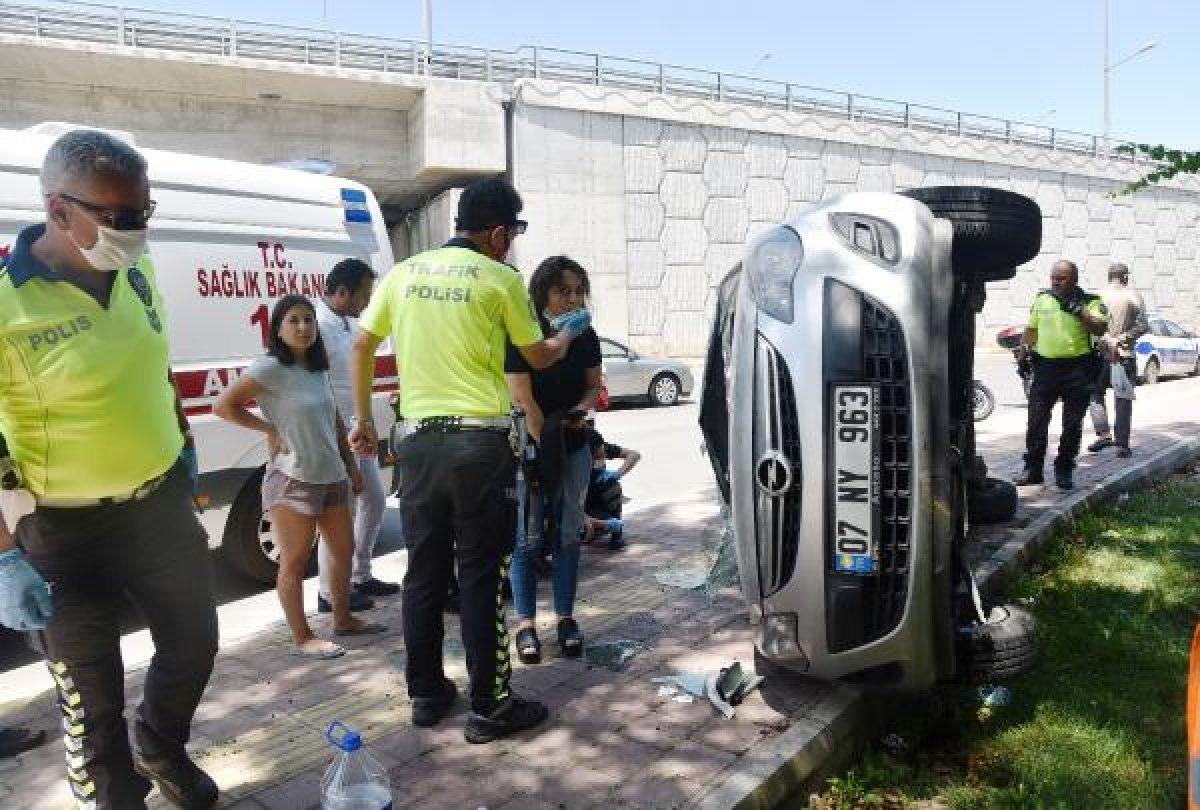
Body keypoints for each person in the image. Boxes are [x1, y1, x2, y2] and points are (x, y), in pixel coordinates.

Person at [0, 129, 218, 808]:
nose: (137, 231)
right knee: (92, 703)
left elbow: (154, 367)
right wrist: (6, 556)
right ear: (58, 211)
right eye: (120, 218)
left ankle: (160, 744)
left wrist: (181, 442)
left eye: (145, 213)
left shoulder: (139, 272)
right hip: (64, 536)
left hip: (157, 508)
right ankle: (112, 785)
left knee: (194, 646)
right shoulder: (6, 306)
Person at [348, 177, 592, 744]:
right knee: (482, 575)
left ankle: (428, 693)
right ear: (499, 232)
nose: (512, 245)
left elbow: (362, 346)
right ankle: (491, 704)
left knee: (424, 573)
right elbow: (534, 356)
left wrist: (364, 422)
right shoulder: (499, 277)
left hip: (416, 443)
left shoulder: (403, 273)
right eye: (514, 233)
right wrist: (564, 335)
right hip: (480, 445)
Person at [214, 295, 385, 659]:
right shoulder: (269, 368)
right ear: (278, 328)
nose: (304, 327)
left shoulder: (316, 367)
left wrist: (352, 466)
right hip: (293, 479)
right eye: (294, 320)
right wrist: (269, 430)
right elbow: (223, 405)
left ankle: (343, 619)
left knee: (343, 550)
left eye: (308, 320)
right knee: (293, 560)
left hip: (332, 475)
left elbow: (335, 420)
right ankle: (303, 636)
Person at [506, 256, 604, 665]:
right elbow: (522, 399)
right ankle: (526, 625)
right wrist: (542, 438)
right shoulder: (523, 333)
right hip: (529, 446)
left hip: (574, 444)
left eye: (578, 290)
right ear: (542, 292)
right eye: (563, 290)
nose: (572, 298)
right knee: (525, 539)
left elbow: (592, 388)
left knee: (568, 534)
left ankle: (565, 619)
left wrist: (581, 412)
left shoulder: (586, 336)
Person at [314, 258, 399, 614]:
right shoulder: (315, 325)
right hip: (333, 434)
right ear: (344, 292)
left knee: (375, 500)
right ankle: (329, 592)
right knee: (338, 513)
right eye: (365, 293)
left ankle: (359, 575)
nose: (368, 301)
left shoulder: (350, 324)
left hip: (357, 429)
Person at [1015, 260, 1109, 491]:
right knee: (1036, 421)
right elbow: (1032, 329)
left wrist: (1079, 311)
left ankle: (1064, 470)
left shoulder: (1091, 301)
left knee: (1072, 425)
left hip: (1078, 369)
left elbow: (1100, 328)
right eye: (1053, 277)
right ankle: (1033, 470)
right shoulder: (1042, 298)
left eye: (1062, 278)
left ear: (1074, 279)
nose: (1056, 282)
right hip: (1045, 369)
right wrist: (1023, 350)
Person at [1088, 262, 1148, 459]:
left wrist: (1107, 340)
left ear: (1109, 276)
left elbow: (1091, 325)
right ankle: (1122, 445)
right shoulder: (1133, 295)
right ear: (1124, 277)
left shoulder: (1097, 296)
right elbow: (1143, 326)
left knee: (1095, 394)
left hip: (1100, 355)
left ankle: (1104, 434)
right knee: (1122, 400)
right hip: (1124, 355)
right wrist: (1120, 340)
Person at [584, 424, 640, 550]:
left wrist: (619, 473)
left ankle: (616, 534)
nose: (602, 453)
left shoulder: (603, 447)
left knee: (613, 487)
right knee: (589, 528)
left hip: (601, 496)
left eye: (602, 449)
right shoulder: (578, 460)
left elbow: (634, 454)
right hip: (584, 501)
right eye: (598, 453)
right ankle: (596, 526)